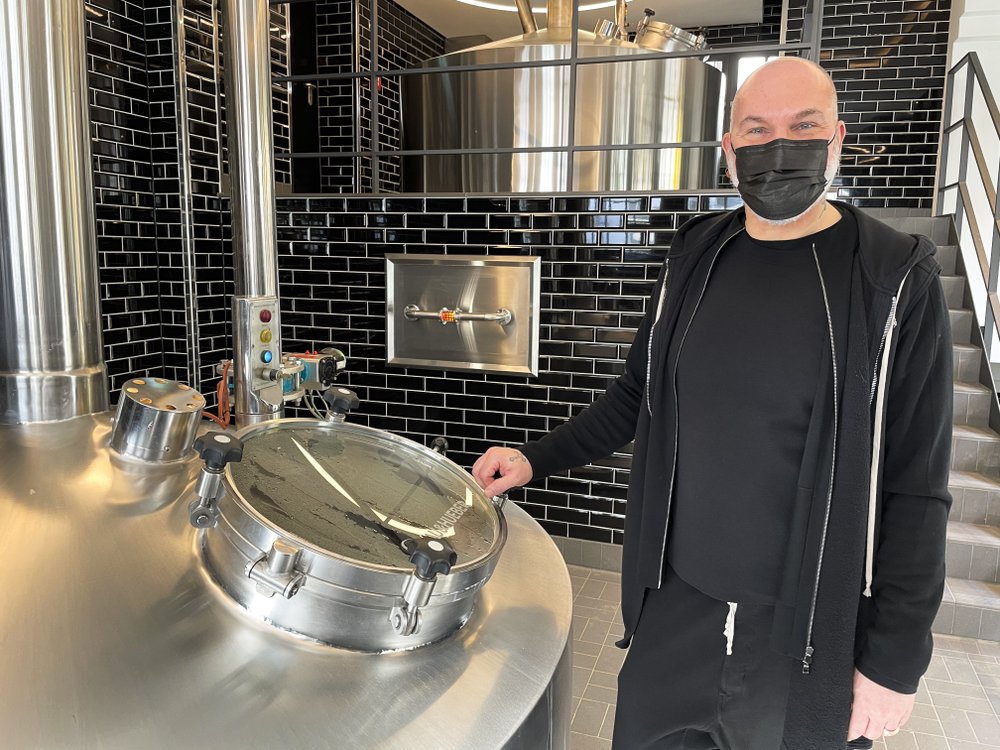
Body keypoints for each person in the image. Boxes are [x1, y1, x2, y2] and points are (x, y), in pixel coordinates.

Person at [472, 56, 953, 750]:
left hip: (806, 639)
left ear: (837, 137)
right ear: (729, 152)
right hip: (675, 613)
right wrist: (532, 459)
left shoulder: (891, 279)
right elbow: (637, 397)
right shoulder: (695, 257)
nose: (777, 146)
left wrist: (894, 664)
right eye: (756, 129)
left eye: (802, 126)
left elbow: (916, 486)